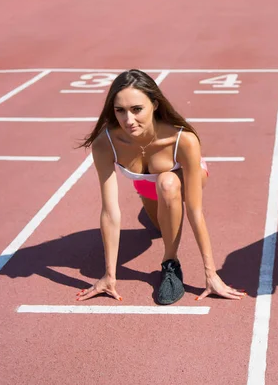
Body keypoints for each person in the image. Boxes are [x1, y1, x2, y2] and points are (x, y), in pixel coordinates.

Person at [76, 69, 245, 305]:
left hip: (181, 180)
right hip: (145, 185)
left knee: (167, 183)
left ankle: (170, 265)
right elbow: (110, 211)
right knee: (160, 227)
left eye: (137, 109)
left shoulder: (182, 139)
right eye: (120, 111)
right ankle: (158, 212)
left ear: (155, 105)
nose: (128, 120)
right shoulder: (105, 143)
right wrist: (109, 275)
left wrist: (211, 274)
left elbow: (195, 211)